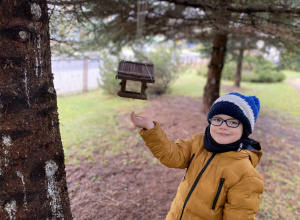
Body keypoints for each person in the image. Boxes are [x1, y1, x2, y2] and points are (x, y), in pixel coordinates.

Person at [130, 92, 264, 220]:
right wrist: (150, 127)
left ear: (244, 130)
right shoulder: (199, 143)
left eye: (233, 122)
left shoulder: (246, 176)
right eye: (217, 119)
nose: (223, 126)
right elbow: (172, 156)